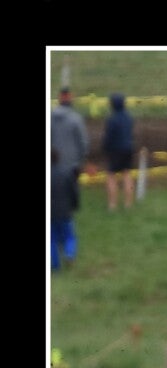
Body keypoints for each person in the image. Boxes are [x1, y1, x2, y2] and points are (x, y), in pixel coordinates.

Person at [50, 87, 88, 265]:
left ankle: (55, 244)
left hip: (53, 165)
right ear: (70, 99)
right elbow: (83, 143)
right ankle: (68, 244)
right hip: (71, 167)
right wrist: (81, 160)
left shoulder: (50, 118)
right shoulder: (76, 119)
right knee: (68, 198)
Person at [102, 92, 135, 212]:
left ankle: (112, 204)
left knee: (111, 176)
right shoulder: (129, 117)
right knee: (127, 174)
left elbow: (108, 137)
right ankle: (128, 203)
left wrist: (104, 148)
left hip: (115, 150)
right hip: (128, 148)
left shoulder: (111, 119)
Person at [51, 146, 79, 272]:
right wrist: (75, 205)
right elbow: (73, 192)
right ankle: (69, 253)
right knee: (69, 236)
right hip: (65, 211)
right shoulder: (67, 173)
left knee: (52, 240)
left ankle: (55, 266)